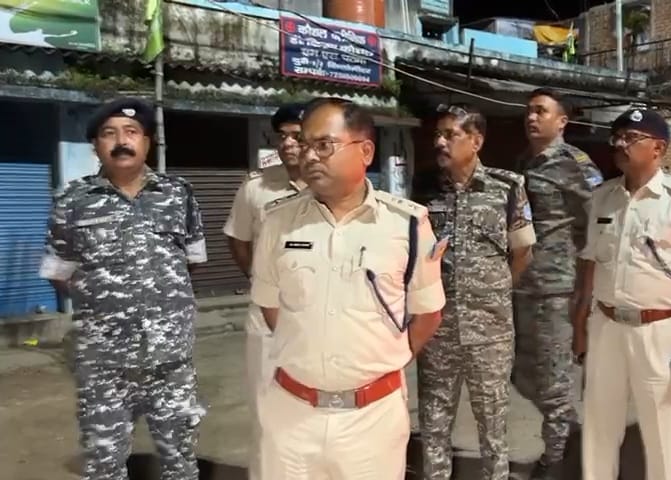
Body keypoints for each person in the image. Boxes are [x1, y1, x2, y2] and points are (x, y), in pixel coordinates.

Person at [249, 97, 447, 479]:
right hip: (291, 414)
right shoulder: (278, 222)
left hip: (372, 420)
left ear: (366, 151)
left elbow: (428, 314)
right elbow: (272, 308)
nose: (308, 156)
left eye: (324, 145)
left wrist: (382, 359)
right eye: (305, 145)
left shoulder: (406, 224)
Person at [38, 97, 208, 480]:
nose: (121, 141)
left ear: (148, 142)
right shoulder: (72, 200)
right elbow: (58, 271)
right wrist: (103, 309)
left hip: (171, 361)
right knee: (103, 464)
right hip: (104, 365)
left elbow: (190, 264)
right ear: (96, 145)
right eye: (108, 134)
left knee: (180, 460)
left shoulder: (178, 195)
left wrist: (162, 309)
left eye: (132, 132)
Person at [573, 107, 671, 480]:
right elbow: (590, 264)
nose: (621, 144)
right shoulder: (603, 198)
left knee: (664, 434)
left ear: (659, 148)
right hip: (605, 326)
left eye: (631, 138)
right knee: (598, 429)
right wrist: (580, 327)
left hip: (661, 332)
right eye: (617, 137)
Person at [414, 103, 536, 480]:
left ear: (476, 140)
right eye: (438, 134)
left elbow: (522, 252)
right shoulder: (423, 187)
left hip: (491, 334)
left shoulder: (508, 187)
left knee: (493, 428)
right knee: (433, 426)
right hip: (438, 332)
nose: (440, 141)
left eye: (450, 134)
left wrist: (493, 291)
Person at [513, 88, 603, 478]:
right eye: (529, 111)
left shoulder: (574, 164)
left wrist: (586, 280)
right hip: (523, 285)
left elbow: (600, 219)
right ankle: (572, 430)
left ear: (561, 121)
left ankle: (554, 460)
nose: (532, 118)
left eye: (540, 111)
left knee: (553, 378)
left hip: (557, 288)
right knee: (521, 373)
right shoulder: (523, 162)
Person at [222, 103, 306, 480]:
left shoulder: (333, 185)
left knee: (316, 414)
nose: (288, 144)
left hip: (320, 317)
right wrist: (261, 281)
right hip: (266, 320)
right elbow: (238, 240)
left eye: (297, 136)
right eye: (282, 136)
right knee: (267, 410)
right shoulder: (256, 187)